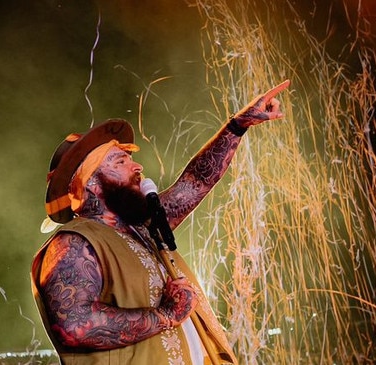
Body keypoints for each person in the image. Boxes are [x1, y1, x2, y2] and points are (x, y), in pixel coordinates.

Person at [31, 80, 290, 365]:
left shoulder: (142, 230)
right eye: (120, 161)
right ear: (90, 183)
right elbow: (75, 326)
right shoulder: (73, 242)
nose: (137, 166)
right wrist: (166, 315)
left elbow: (195, 183)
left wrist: (238, 126)